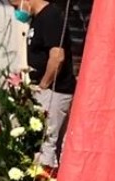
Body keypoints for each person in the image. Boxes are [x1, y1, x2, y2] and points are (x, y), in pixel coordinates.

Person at [10, 0, 77, 171]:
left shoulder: (50, 17)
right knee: (41, 141)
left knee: (48, 144)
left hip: (55, 90)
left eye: (16, 6)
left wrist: (44, 84)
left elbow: (57, 56)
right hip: (44, 91)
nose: (17, 11)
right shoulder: (37, 19)